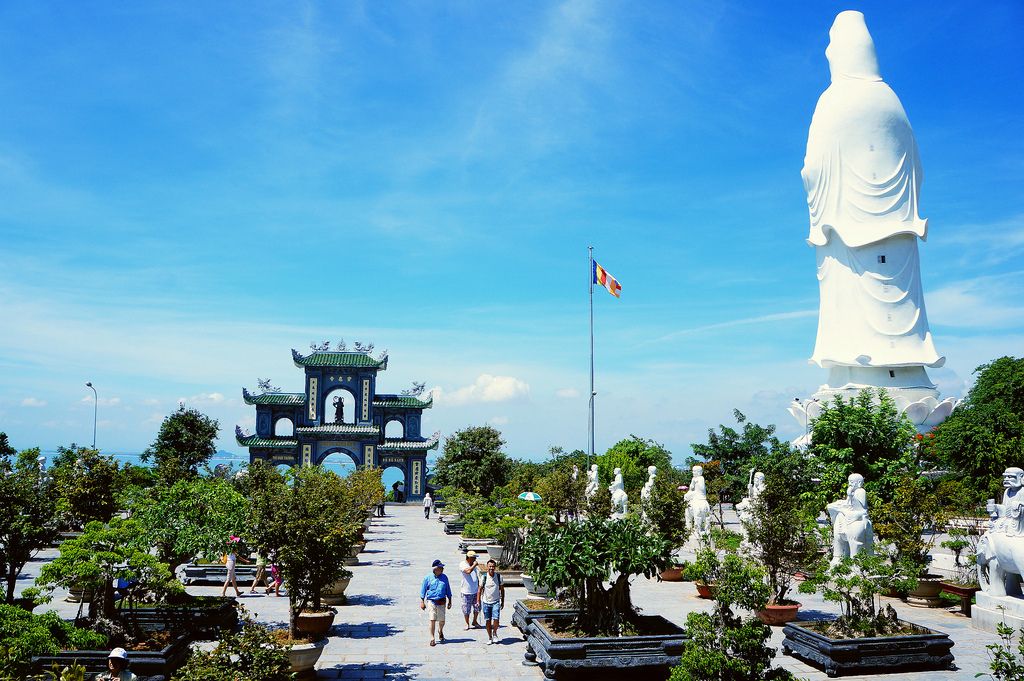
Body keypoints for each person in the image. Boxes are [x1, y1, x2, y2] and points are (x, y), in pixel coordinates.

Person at [419, 559, 453, 647]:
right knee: (432, 619)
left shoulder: (445, 577)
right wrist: (422, 601)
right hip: (431, 601)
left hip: (441, 601)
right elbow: (423, 590)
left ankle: (440, 630)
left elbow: (448, 590)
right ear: (435, 569)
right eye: (440, 568)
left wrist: (450, 601)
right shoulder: (427, 578)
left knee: (442, 620)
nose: (442, 570)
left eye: (442, 568)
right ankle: (432, 638)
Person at [477, 558, 505, 645]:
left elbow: (502, 590)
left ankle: (495, 633)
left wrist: (502, 601)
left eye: (493, 566)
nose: (491, 568)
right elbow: (479, 589)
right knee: (488, 620)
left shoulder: (499, 577)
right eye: (490, 566)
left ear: (495, 567)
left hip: (496, 601)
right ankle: (489, 637)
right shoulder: (484, 577)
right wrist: (478, 601)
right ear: (487, 567)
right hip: (486, 602)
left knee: (496, 619)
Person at [459, 550, 481, 629]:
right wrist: (474, 565)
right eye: (474, 558)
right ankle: (466, 623)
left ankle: (474, 621)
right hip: (466, 591)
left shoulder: (473, 565)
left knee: (477, 607)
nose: (475, 559)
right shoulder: (463, 564)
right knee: (466, 608)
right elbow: (468, 571)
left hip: (475, 590)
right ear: (469, 558)